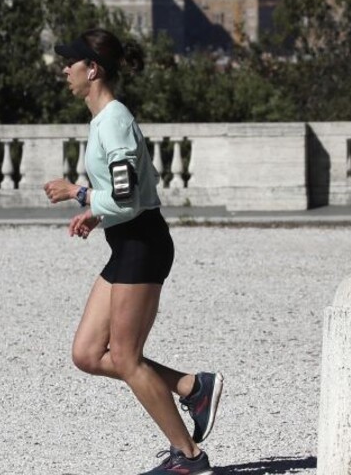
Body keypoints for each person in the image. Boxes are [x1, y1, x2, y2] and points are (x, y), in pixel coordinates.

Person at [43, 28, 224, 475]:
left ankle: (190, 458)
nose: (64, 70)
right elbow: (128, 193)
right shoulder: (102, 120)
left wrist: (78, 194)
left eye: (71, 62)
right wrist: (96, 214)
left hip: (143, 245)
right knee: (87, 353)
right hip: (127, 242)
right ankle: (192, 387)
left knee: (125, 357)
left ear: (93, 69)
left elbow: (127, 198)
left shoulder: (115, 120)